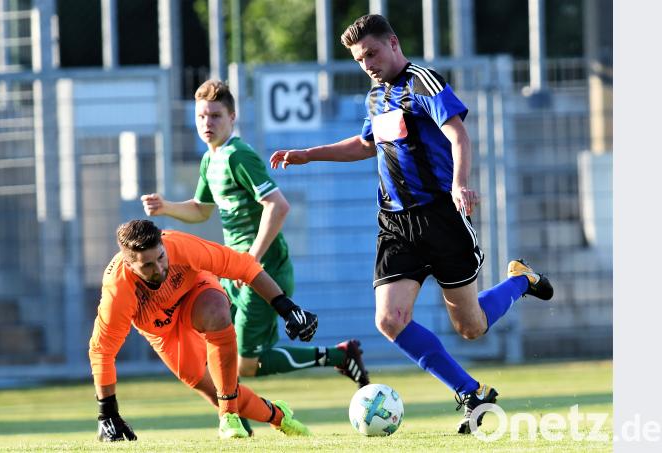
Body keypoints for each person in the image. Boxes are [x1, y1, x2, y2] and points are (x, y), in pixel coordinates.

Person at [269, 14, 554, 435]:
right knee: (389, 320)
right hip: (396, 225)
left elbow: (458, 134)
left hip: (442, 218)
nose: (367, 63)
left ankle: (520, 280)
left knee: (471, 327)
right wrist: (308, 154)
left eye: (372, 53)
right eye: (359, 58)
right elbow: (366, 144)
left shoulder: (424, 82)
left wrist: (460, 185)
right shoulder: (375, 95)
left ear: (393, 43)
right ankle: (471, 394)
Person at [141, 80, 370, 392]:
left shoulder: (238, 155)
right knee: (219, 348)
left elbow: (278, 205)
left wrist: (252, 259)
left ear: (233, 117)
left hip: (263, 272)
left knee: (246, 363)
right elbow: (201, 209)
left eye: (216, 116)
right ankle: (235, 420)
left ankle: (339, 357)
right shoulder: (211, 159)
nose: (207, 123)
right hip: (232, 271)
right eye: (201, 116)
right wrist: (166, 206)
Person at [89, 219, 317, 441]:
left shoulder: (180, 245)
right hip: (164, 333)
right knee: (214, 389)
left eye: (160, 257)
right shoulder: (117, 291)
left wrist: (287, 308)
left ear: (163, 247)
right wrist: (107, 413)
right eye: (147, 265)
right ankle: (279, 416)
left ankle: (228, 416)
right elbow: (102, 351)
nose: (159, 268)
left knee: (217, 312)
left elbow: (245, 266)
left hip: (196, 294)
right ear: (129, 265)